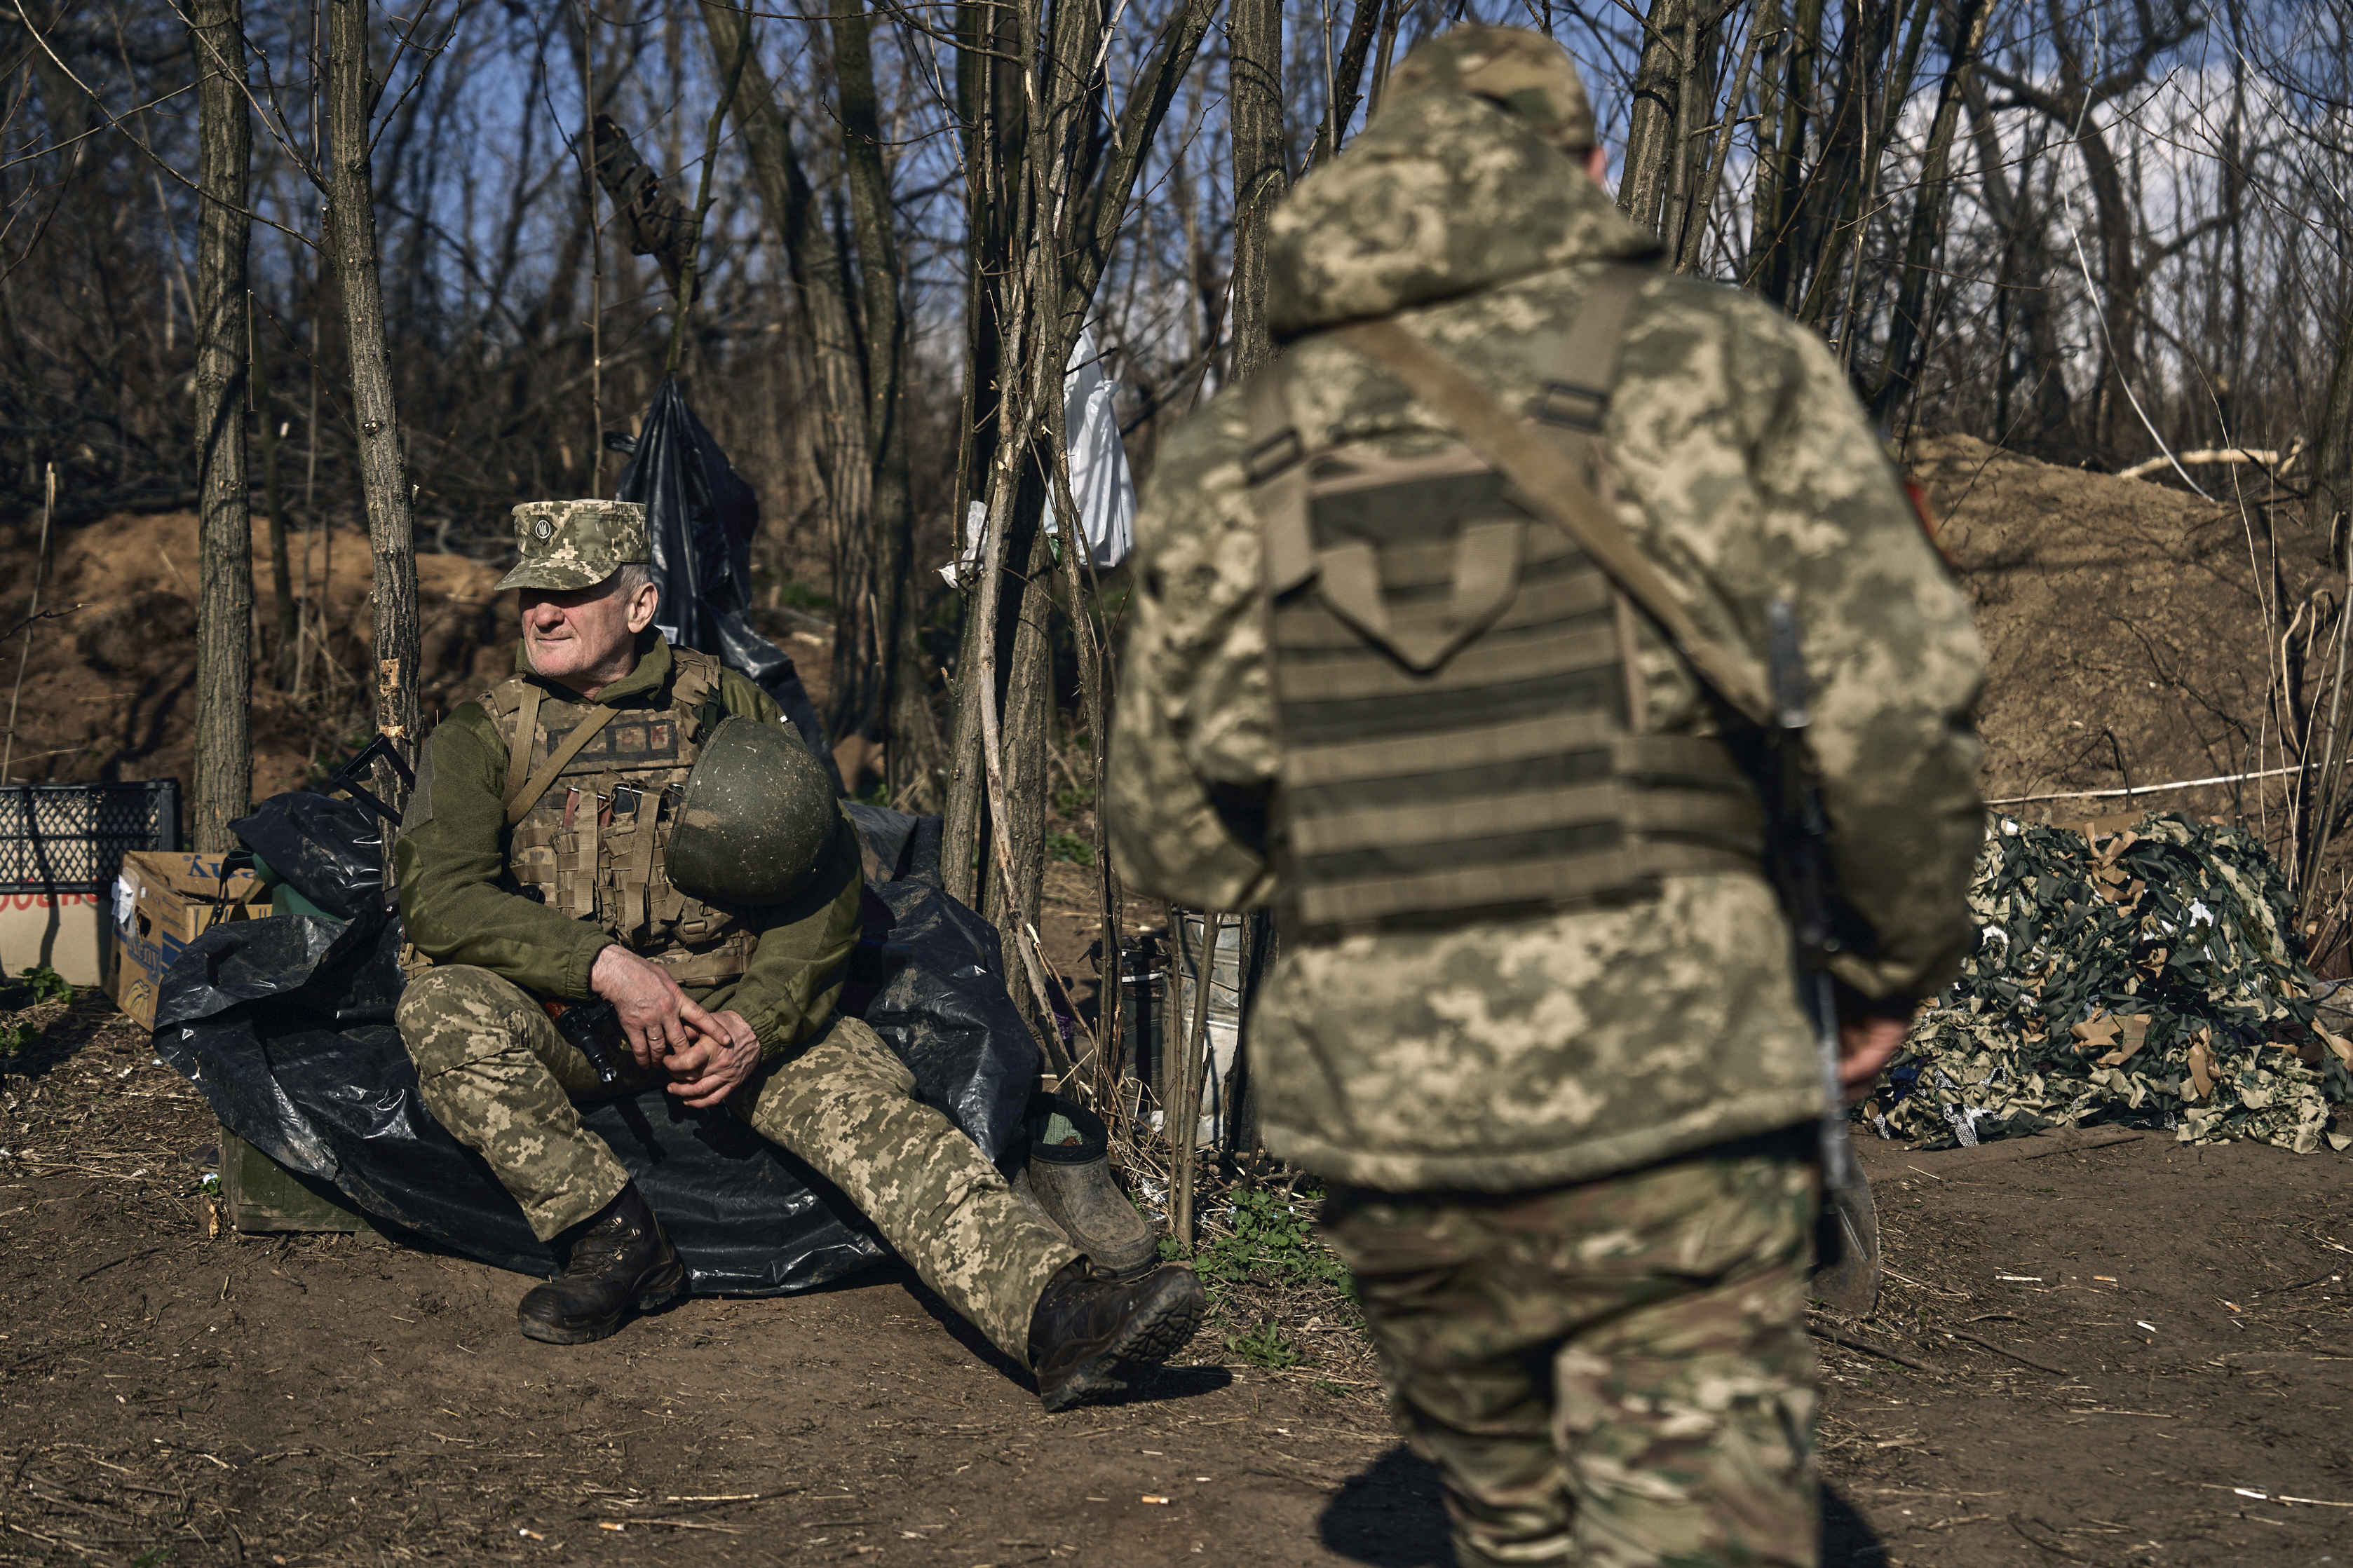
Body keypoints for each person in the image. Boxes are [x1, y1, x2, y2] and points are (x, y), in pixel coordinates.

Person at [1107, 26, 1982, 1568]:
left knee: (1509, 1522)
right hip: (1675, 1069)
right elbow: (1894, 714)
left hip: (1385, 1104)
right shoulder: (1731, 367)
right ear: (1585, 173)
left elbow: (1175, 833)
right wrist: (1884, 965)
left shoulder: (1243, 441)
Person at [394, 498, 1203, 1410]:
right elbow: (442, 895)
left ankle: (1060, 1316)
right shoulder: (480, 734)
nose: (541, 611)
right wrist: (605, 968)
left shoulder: (726, 708)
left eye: (571, 591)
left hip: (732, 1020)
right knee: (440, 1010)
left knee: (882, 1119)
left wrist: (756, 1020)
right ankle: (615, 1236)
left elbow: (822, 887)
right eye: (530, 592)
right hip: (575, 1025)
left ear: (639, 604)